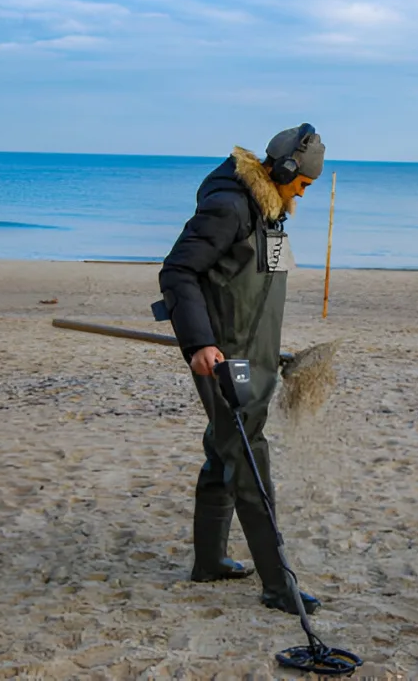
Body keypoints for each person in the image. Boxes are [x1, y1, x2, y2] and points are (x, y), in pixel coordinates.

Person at [157, 124, 326, 615]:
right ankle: (278, 585)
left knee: (224, 449)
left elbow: (253, 294)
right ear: (284, 168)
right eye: (303, 184)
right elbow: (177, 272)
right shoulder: (230, 207)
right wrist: (200, 343)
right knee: (250, 458)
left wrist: (273, 350)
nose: (303, 193)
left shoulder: (268, 211)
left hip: (255, 357)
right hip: (225, 361)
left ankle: (209, 561)